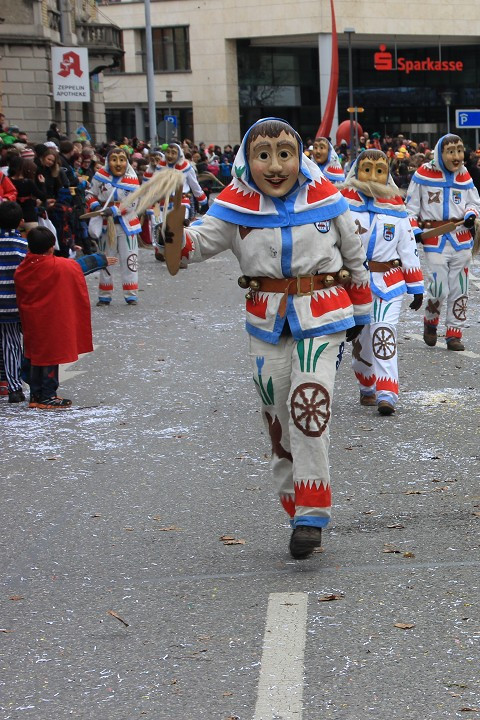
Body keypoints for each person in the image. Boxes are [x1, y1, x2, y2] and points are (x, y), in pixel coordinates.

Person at [170, 117, 373, 559]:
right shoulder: (234, 206)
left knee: (309, 403)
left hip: (323, 315)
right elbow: (195, 244)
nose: (277, 166)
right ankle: (295, 499)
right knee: (276, 415)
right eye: (264, 156)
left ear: (300, 157)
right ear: (249, 159)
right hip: (266, 322)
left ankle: (312, 513)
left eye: (285, 154)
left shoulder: (329, 199)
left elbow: (356, 259)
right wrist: (169, 232)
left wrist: (361, 313)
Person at [340, 149, 424, 414]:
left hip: (389, 283)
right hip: (355, 284)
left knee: (383, 333)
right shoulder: (342, 205)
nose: (374, 177)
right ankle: (367, 384)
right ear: (356, 170)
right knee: (362, 342)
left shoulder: (396, 209)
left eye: (379, 170)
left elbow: (408, 248)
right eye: (368, 169)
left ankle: (387, 392)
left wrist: (416, 286)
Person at [406, 133, 480, 352]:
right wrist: (416, 230)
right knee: (439, 286)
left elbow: (474, 203)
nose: (457, 156)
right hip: (434, 236)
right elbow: (411, 209)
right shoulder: (423, 174)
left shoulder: (465, 175)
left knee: (461, 288)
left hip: (461, 238)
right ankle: (431, 320)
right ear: (441, 153)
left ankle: (454, 333)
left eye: (460, 151)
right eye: (451, 152)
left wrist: (470, 215)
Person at [14, 228, 109, 409]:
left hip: (31, 320)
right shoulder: (56, 265)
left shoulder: (23, 267)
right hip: (50, 320)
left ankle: (35, 395)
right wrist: (100, 259)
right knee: (50, 358)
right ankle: (48, 396)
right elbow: (77, 267)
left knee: (34, 357)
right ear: (51, 248)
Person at [85, 147, 142, 305]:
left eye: (122, 159)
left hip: (127, 226)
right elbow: (90, 194)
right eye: (114, 159)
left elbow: (133, 202)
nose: (118, 164)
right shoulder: (100, 177)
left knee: (130, 260)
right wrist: (96, 207)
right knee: (105, 260)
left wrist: (115, 210)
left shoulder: (132, 179)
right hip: (105, 226)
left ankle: (131, 294)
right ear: (107, 161)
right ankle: (104, 295)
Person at [0, 201, 28, 403]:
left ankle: (8, 384)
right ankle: (20, 386)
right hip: (17, 304)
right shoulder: (24, 247)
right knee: (19, 344)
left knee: (8, 343)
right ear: (21, 222)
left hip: (2, 304)